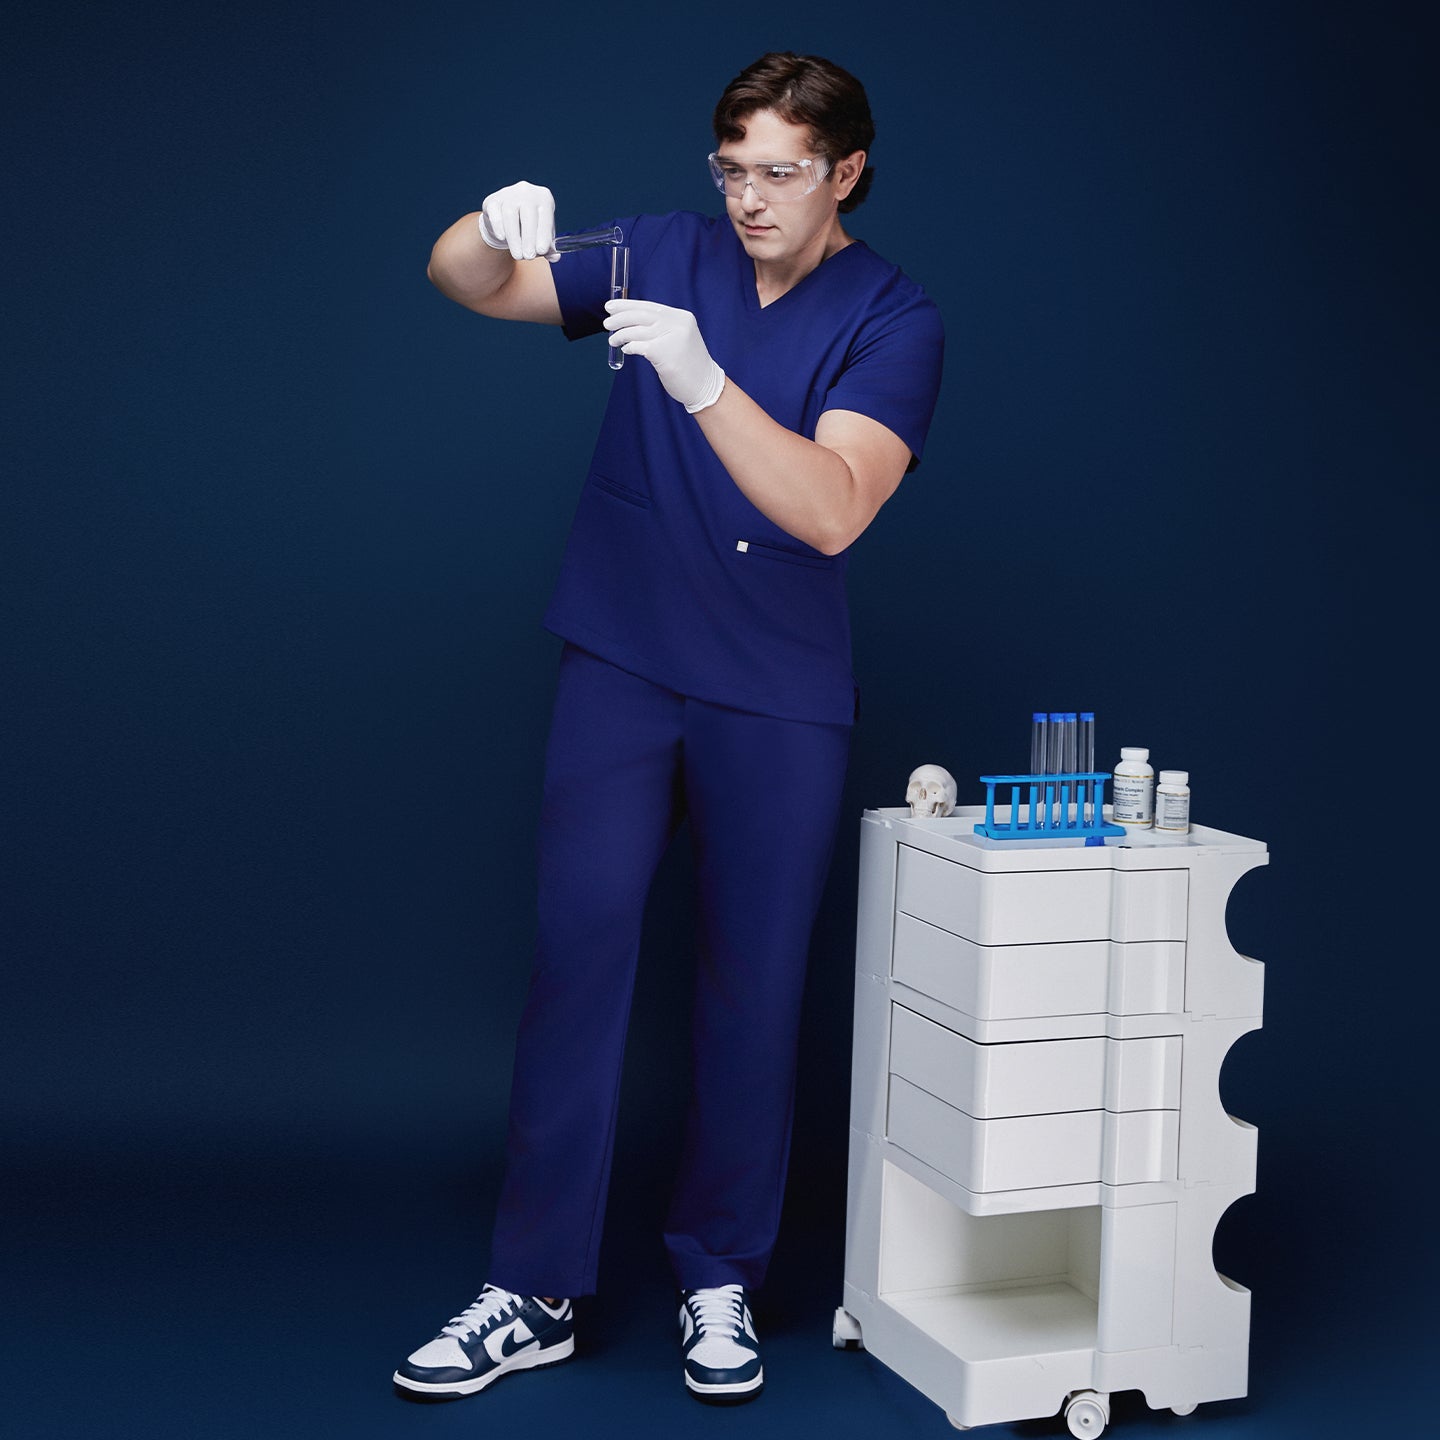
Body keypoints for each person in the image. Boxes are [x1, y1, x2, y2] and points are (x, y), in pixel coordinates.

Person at [394, 50, 944, 1406]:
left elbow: (831, 507)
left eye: (780, 172)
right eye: (733, 168)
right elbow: (474, 288)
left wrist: (702, 386)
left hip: (777, 689)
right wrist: (486, 225)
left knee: (753, 987)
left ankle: (719, 1278)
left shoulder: (896, 319)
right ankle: (532, 1289)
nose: (750, 200)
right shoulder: (655, 249)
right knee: (579, 951)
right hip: (625, 664)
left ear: (846, 173)